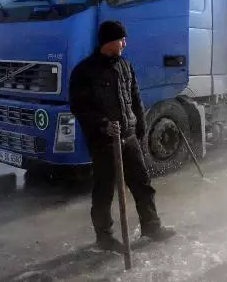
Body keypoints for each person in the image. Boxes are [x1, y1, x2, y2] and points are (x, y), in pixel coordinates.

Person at [69, 20, 175, 252]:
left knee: (143, 184)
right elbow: (79, 106)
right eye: (121, 39)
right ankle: (104, 238)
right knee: (104, 191)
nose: (125, 43)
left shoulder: (125, 66)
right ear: (109, 41)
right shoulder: (85, 71)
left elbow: (135, 98)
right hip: (104, 142)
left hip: (129, 139)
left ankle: (151, 226)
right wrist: (103, 124)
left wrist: (140, 128)